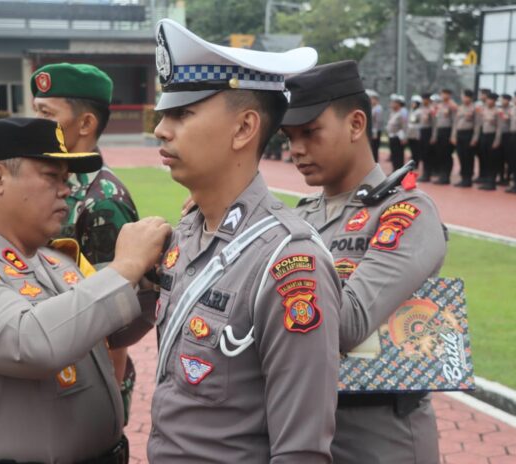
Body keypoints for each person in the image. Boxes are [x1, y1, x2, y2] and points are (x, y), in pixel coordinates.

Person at [0, 117, 171, 463]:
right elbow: (31, 343)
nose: (66, 189)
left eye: (66, 179)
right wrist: (124, 267)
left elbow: (103, 325)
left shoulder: (53, 260)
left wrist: (151, 278)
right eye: (52, 177)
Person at [149, 18, 340, 463]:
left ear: (243, 129)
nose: (161, 129)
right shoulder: (188, 233)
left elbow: (301, 451)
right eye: (163, 114)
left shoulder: (289, 261)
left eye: (182, 113)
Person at [281, 60, 447, 464]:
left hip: (380, 439)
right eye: (289, 137)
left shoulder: (406, 211)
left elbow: (349, 322)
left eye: (310, 133)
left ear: (356, 125)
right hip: (307, 432)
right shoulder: (299, 215)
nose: (296, 149)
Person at [30, 62, 142, 422]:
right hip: (46, 357)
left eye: (46, 114)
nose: (36, 123)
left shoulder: (102, 201)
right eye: (35, 112)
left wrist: (104, 407)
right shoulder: (48, 183)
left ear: (85, 124)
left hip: (86, 385)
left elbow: (117, 322)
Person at [474, 92, 503, 191]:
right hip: (484, 136)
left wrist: (497, 140)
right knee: (485, 158)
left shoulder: (498, 111)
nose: (488, 101)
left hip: (492, 136)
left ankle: (492, 182)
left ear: (494, 101)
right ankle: (486, 180)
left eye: (490, 99)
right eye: (487, 99)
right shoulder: (484, 110)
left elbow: (499, 127)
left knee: (492, 160)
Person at [450, 89, 478, 187]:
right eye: (463, 96)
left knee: (468, 157)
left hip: (469, 134)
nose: (464, 98)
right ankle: (463, 178)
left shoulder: (475, 108)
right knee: (461, 156)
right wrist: (453, 135)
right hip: (459, 134)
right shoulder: (460, 108)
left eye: (466, 96)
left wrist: (475, 138)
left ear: (470, 98)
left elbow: (477, 124)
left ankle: (468, 178)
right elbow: (455, 123)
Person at [430, 88, 458, 185]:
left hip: (448, 131)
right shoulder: (439, 106)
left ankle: (446, 176)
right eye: (442, 93)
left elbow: (455, 121)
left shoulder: (452, 106)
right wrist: (434, 135)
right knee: (440, 154)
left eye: (446, 94)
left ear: (449, 95)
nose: (443, 96)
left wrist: (453, 135)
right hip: (440, 131)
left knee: (447, 155)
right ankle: (441, 175)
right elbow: (435, 122)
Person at [416, 93, 436, 182]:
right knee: (423, 154)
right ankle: (425, 172)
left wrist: (433, 136)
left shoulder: (431, 109)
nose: (424, 101)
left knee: (428, 154)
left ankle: (427, 174)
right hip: (422, 131)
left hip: (429, 131)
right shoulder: (420, 109)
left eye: (425, 99)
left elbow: (435, 124)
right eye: (423, 99)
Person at [386, 94, 408, 171]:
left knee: (399, 155)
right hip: (392, 136)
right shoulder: (392, 112)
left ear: (398, 104)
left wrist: (404, 138)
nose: (391, 104)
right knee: (394, 155)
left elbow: (404, 126)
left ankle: (399, 171)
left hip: (398, 137)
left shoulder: (402, 113)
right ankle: (394, 170)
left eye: (394, 103)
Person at [498, 94, 512, 186]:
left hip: (508, 135)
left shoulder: (511, 110)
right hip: (499, 135)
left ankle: (508, 177)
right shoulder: (498, 109)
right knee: (499, 157)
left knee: (508, 157)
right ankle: (501, 177)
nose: (501, 101)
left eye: (503, 100)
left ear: (508, 100)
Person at [367, 89, 383, 162]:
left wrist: (375, 133)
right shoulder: (373, 108)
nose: (370, 100)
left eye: (372, 98)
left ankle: (375, 162)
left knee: (374, 149)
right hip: (372, 130)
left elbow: (378, 122)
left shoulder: (378, 109)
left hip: (376, 131)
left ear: (376, 99)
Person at [407, 95, 422, 167]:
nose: (412, 104)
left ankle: (416, 163)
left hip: (416, 133)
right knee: (412, 149)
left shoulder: (419, 112)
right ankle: (413, 161)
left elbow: (414, 121)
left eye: (414, 103)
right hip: (411, 133)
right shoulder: (411, 111)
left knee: (416, 149)